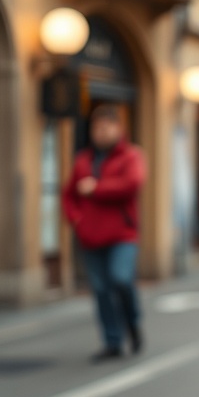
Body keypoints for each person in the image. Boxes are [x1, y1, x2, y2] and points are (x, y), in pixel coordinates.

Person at [61, 104, 147, 362]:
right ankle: (112, 341)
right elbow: (69, 195)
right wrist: (76, 219)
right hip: (91, 236)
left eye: (106, 127)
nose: (100, 132)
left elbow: (131, 184)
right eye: (96, 128)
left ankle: (132, 322)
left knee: (121, 279)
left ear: (118, 129)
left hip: (122, 234)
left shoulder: (131, 156)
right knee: (100, 290)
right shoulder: (83, 160)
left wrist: (96, 188)